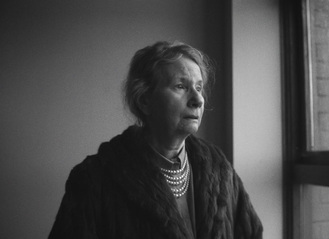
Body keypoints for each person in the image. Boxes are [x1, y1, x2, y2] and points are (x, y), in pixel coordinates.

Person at [49, 41, 263, 238]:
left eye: (199, 88)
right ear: (144, 100)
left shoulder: (220, 170)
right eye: (181, 86)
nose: (198, 100)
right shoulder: (94, 179)